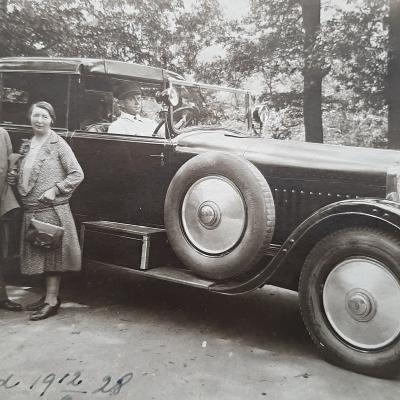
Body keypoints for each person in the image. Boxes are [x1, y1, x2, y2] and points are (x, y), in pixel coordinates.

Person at [7, 101, 84, 321]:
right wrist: (15, 176)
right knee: (41, 254)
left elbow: (77, 174)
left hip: (51, 209)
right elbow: (27, 174)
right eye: (35, 116)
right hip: (31, 210)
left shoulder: (58, 144)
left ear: (52, 120)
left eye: (44, 116)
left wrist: (55, 189)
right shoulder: (27, 144)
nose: (39, 120)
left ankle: (52, 301)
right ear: (29, 118)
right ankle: (47, 297)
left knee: (52, 257)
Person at [0, 127, 22, 311]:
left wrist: (12, 176)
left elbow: (9, 166)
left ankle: (1, 297)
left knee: (1, 251)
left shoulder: (2, 134)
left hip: (1, 201)